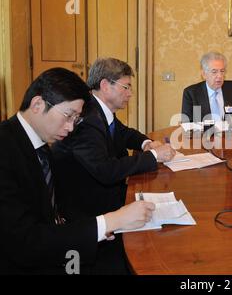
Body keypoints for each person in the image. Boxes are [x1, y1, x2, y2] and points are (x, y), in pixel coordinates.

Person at [0, 68, 156, 274]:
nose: (71, 127)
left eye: (76, 119)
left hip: (62, 238)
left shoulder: (38, 143)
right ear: (37, 104)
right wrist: (109, 221)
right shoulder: (6, 148)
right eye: (68, 116)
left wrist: (101, 226)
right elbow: (25, 243)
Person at [51, 58, 175, 274]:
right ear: (106, 85)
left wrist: (146, 143)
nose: (130, 93)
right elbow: (106, 171)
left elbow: (123, 132)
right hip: (85, 208)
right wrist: (154, 155)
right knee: (158, 237)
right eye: (126, 87)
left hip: (99, 193)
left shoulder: (97, 109)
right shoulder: (86, 118)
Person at [181, 52, 232, 124]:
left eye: (222, 71)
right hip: (204, 135)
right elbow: (187, 124)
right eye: (214, 72)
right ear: (204, 74)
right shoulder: (191, 93)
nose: (219, 76)